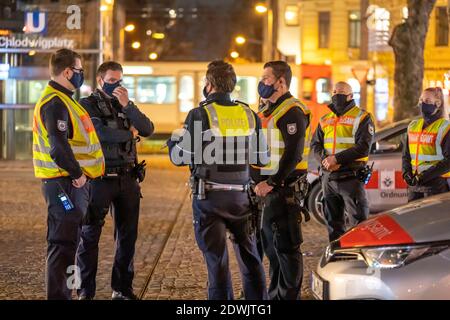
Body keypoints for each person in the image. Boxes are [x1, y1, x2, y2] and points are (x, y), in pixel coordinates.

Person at [167, 60, 268, 300]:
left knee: (217, 262)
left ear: (209, 84)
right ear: (232, 86)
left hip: (210, 198)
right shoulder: (249, 115)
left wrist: (173, 143)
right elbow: (261, 159)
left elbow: (182, 158)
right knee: (251, 257)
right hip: (242, 199)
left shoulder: (199, 114)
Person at [75, 61, 154, 300]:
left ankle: (122, 288)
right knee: (89, 237)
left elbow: (148, 128)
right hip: (99, 180)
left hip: (128, 179)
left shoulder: (125, 105)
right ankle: (85, 292)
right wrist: (128, 134)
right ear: (100, 81)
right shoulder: (87, 105)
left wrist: (128, 106)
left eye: (119, 81)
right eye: (111, 81)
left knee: (127, 237)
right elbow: (99, 134)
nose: (116, 85)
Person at [32, 48, 105, 300]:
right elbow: (58, 147)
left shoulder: (65, 100)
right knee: (62, 246)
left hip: (70, 184)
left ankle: (67, 294)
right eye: (79, 70)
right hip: (64, 184)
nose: (82, 74)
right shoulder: (55, 103)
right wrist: (78, 175)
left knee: (69, 245)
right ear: (67, 72)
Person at [253, 60, 311, 300]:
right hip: (268, 192)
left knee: (287, 248)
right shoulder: (269, 110)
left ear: (281, 82)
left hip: (283, 190)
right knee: (272, 249)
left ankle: (288, 296)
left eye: (266, 78)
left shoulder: (292, 111)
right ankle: (275, 295)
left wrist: (272, 182)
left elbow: (293, 154)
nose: (262, 82)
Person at [311, 81, 375, 242]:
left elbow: (363, 148)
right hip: (328, 178)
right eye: (334, 91)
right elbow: (315, 144)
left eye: (341, 91)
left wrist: (337, 159)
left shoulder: (362, 117)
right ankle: (337, 256)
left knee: (358, 223)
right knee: (333, 224)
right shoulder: (325, 119)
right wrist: (325, 161)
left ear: (351, 96)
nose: (336, 94)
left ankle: (359, 257)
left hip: (351, 177)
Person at [403, 87, 450, 201]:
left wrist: (423, 176)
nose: (422, 104)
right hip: (415, 186)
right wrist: (406, 173)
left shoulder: (445, 127)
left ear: (438, 103)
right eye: (421, 100)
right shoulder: (413, 126)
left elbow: (448, 161)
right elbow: (406, 155)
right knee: (411, 218)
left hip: (436, 185)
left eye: (427, 101)